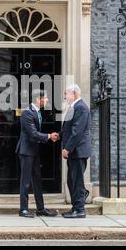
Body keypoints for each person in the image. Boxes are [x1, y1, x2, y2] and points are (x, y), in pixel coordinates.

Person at [15, 89, 59, 218]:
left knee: (37, 181)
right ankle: (23, 209)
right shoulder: (27, 113)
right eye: (45, 98)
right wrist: (49, 136)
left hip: (34, 151)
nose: (47, 100)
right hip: (26, 151)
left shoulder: (37, 112)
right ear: (37, 99)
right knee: (26, 181)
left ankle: (40, 208)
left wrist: (48, 137)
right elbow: (33, 133)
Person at [51, 84, 91, 218]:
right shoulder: (74, 107)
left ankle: (79, 210)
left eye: (66, 94)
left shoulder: (81, 108)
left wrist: (67, 148)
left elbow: (77, 132)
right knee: (71, 180)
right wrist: (59, 135)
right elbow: (68, 128)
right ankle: (75, 207)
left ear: (74, 93)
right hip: (75, 151)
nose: (64, 97)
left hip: (78, 151)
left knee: (77, 181)